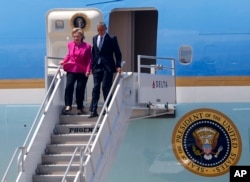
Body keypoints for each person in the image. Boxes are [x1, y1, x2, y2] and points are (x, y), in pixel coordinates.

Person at [89, 22, 122, 118]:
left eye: (101, 30)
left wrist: (118, 65)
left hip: (107, 67)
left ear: (105, 28)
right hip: (97, 67)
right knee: (95, 88)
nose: (100, 32)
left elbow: (118, 53)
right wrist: (92, 66)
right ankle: (93, 110)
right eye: (98, 30)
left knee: (105, 87)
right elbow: (94, 53)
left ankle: (108, 107)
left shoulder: (112, 39)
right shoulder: (95, 38)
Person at [60, 28, 92, 115]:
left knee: (80, 89)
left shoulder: (87, 46)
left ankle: (79, 107)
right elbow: (68, 55)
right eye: (74, 36)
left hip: (83, 70)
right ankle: (68, 105)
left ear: (82, 36)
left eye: (77, 36)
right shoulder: (70, 44)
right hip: (72, 68)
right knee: (69, 86)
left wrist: (88, 70)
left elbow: (89, 59)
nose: (75, 38)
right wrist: (64, 61)